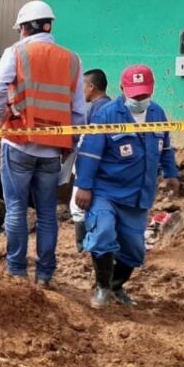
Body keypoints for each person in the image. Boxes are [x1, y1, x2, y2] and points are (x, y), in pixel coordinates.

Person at [0, 0, 84, 288]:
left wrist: (3, 114)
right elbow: (79, 111)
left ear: (25, 28)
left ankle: (17, 271)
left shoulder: (16, 52)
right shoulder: (72, 59)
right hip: (53, 149)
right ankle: (45, 274)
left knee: (16, 208)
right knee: (46, 213)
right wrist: (70, 143)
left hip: (18, 143)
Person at [75, 65, 179, 308]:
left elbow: (165, 147)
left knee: (133, 250)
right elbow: (89, 153)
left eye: (144, 94)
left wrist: (171, 172)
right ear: (122, 89)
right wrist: (84, 186)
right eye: (135, 95)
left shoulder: (157, 114)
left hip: (138, 192)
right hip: (106, 190)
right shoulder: (107, 114)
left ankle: (116, 285)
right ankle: (101, 287)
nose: (140, 99)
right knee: (103, 233)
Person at [69, 69, 113, 250]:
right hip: (104, 169)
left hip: (91, 168)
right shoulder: (108, 106)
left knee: (78, 206)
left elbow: (90, 144)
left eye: (83, 86)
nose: (81, 91)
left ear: (92, 86)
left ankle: (83, 246)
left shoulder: (98, 109)